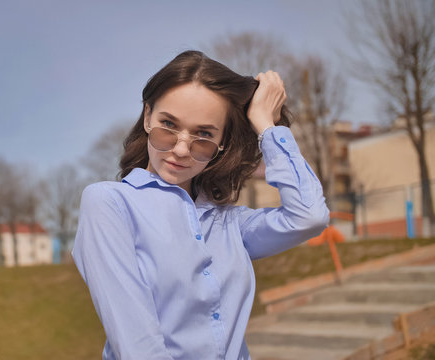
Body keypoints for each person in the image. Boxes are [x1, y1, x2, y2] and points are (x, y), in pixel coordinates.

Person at [72, 50, 329, 360]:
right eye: (168, 125)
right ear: (147, 115)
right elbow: (137, 347)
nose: (181, 149)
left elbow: (310, 216)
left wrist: (266, 126)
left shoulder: (230, 223)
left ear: (222, 144)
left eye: (203, 134)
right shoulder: (109, 203)